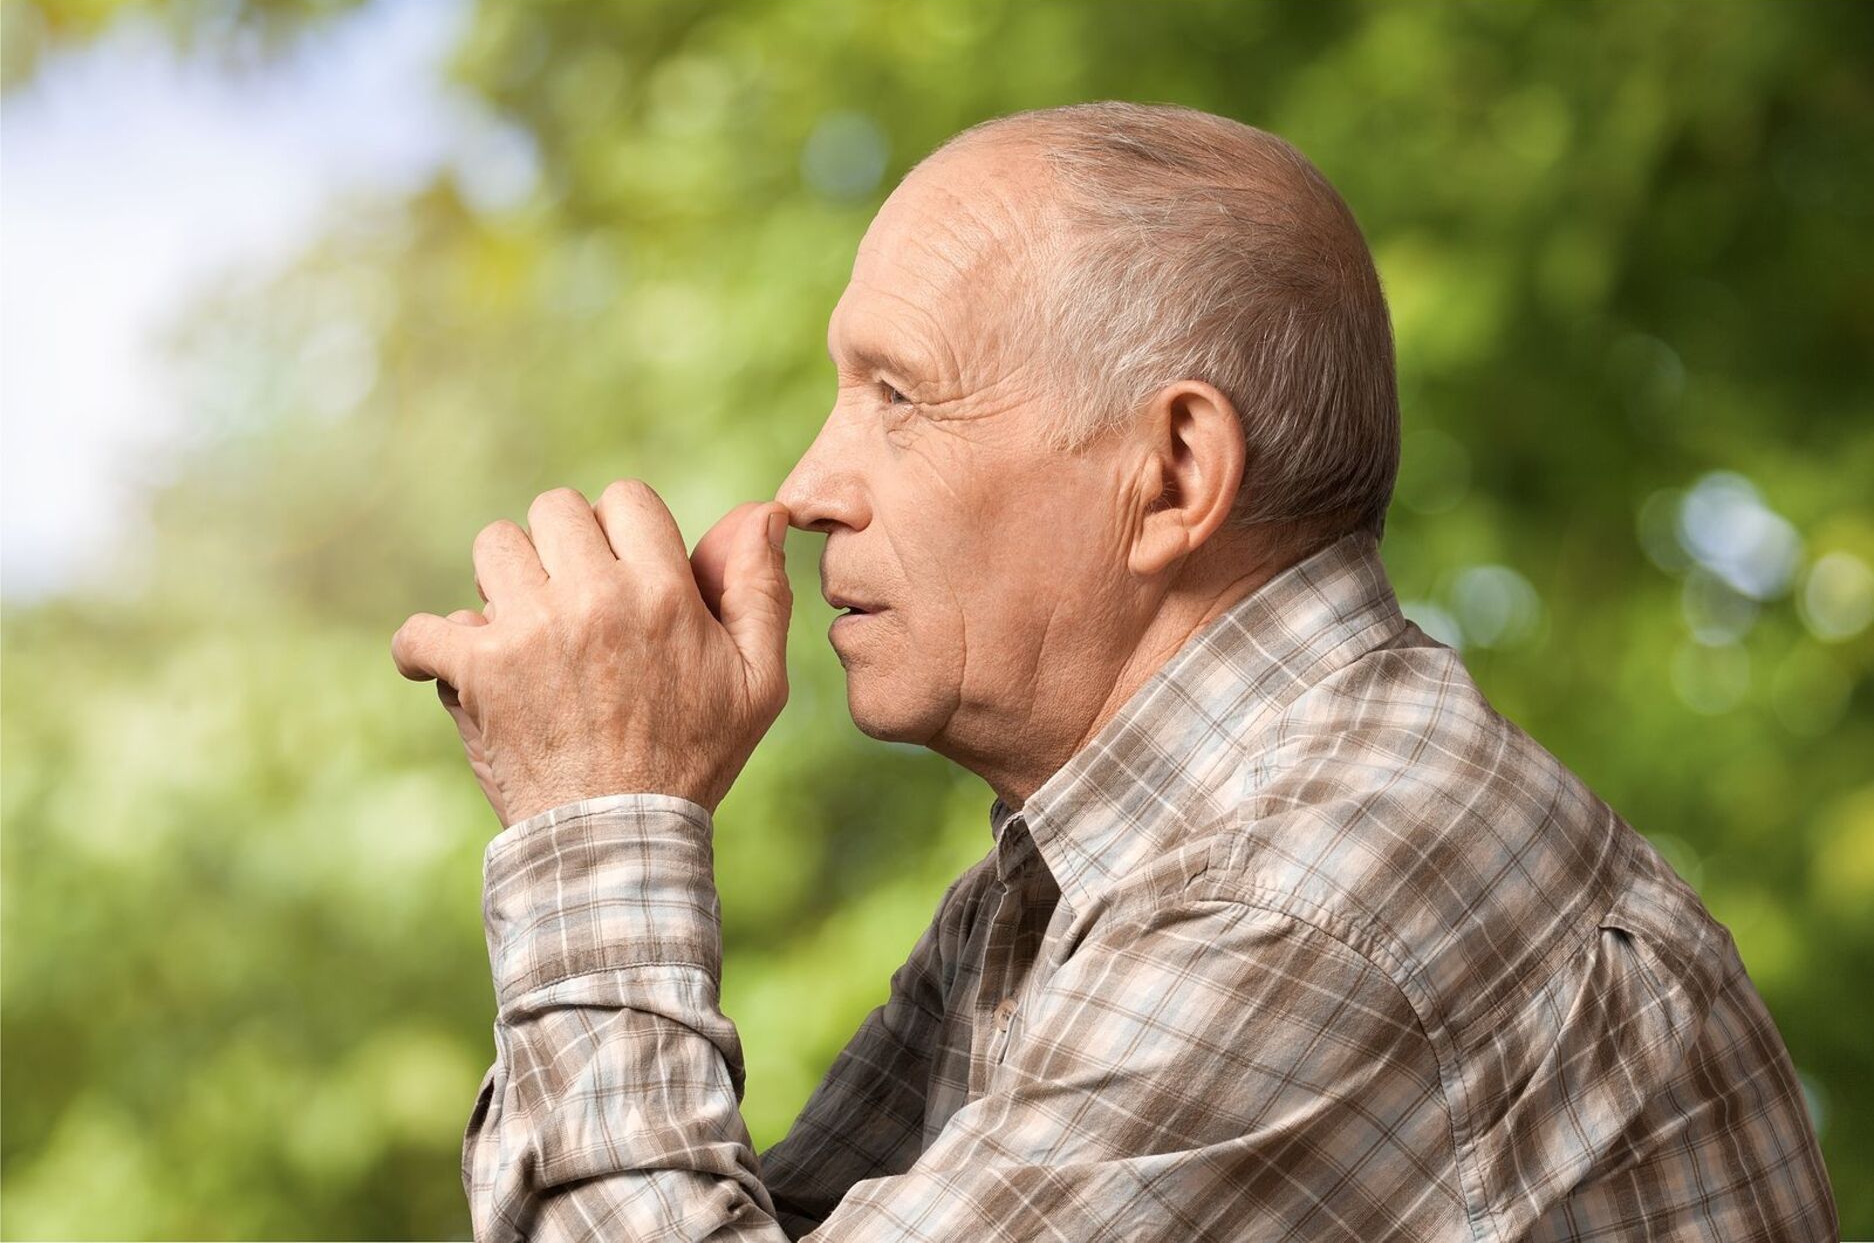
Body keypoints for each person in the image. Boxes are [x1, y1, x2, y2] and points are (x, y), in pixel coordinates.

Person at [391, 101, 1838, 1241]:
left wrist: (599, 823)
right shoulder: (1101, 866)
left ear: (1172, 474)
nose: (811, 486)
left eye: (900, 396)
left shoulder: (1305, 895)